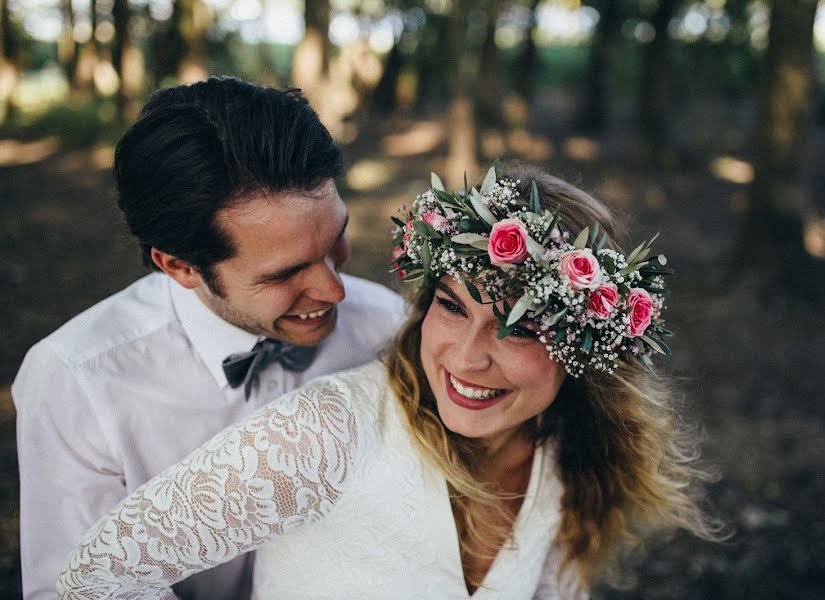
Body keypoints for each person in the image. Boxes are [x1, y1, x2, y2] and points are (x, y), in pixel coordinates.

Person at [57, 163, 719, 599]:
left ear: (583, 348)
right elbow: (95, 574)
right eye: (453, 305)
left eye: (517, 328)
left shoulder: (568, 452)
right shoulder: (323, 435)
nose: (466, 356)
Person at [13, 78, 405, 600]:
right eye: (283, 273)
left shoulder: (386, 324)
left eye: (336, 241)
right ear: (179, 266)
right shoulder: (76, 381)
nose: (334, 290)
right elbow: (78, 588)